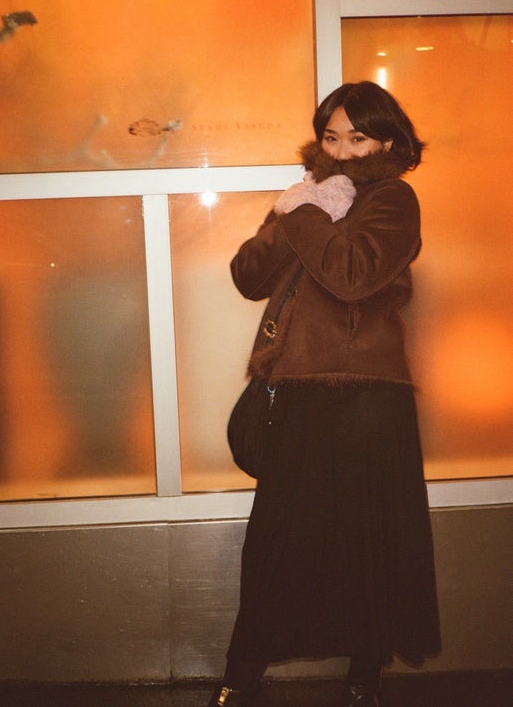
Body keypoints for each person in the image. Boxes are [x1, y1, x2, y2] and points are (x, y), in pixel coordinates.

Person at [208, 81, 441, 707]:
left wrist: (309, 212)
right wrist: (297, 208)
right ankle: (241, 671)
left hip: (368, 397)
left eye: (356, 138)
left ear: (386, 141)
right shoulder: (308, 197)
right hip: (300, 390)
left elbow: (351, 275)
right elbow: (247, 276)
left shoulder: (394, 199)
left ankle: (365, 671)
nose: (340, 152)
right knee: (278, 539)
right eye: (331, 138)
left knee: (368, 537)